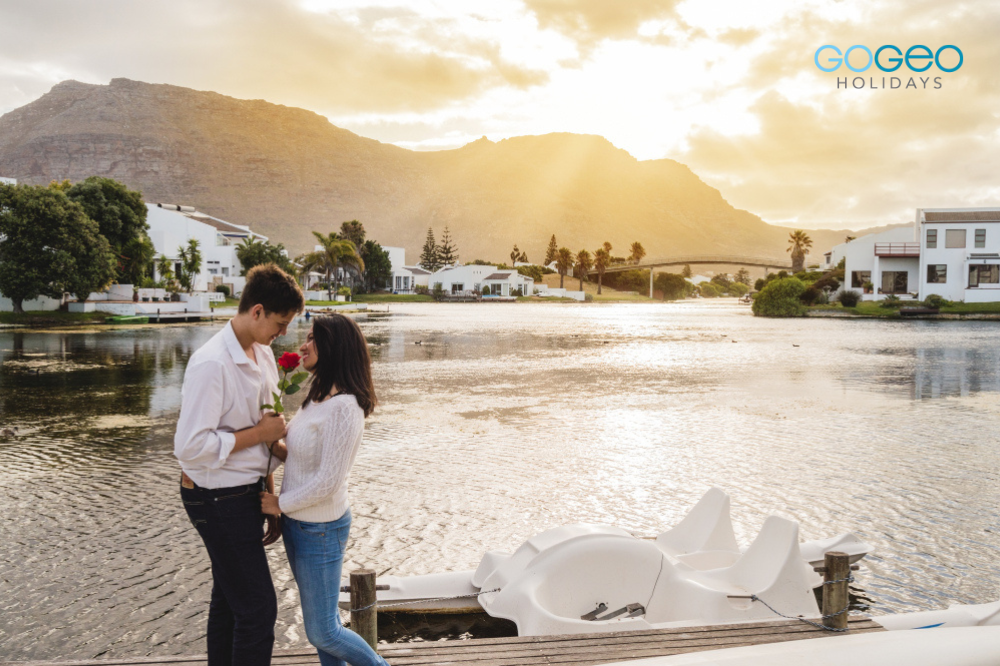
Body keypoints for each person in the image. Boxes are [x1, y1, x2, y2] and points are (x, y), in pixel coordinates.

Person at [175, 263, 304, 666]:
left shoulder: (263, 355)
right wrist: (260, 436)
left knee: (229, 601)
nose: (283, 334)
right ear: (257, 311)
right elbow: (190, 447)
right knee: (259, 609)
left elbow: (266, 433)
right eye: (280, 324)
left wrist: (269, 495)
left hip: (244, 494)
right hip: (213, 498)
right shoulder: (212, 363)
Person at [260, 314, 388, 666]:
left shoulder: (345, 408)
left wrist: (278, 504)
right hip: (299, 526)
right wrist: (272, 445)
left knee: (322, 632)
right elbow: (305, 461)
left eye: (313, 338)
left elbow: (328, 482)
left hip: (321, 530)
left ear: (334, 346)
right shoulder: (316, 397)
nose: (302, 344)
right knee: (325, 626)